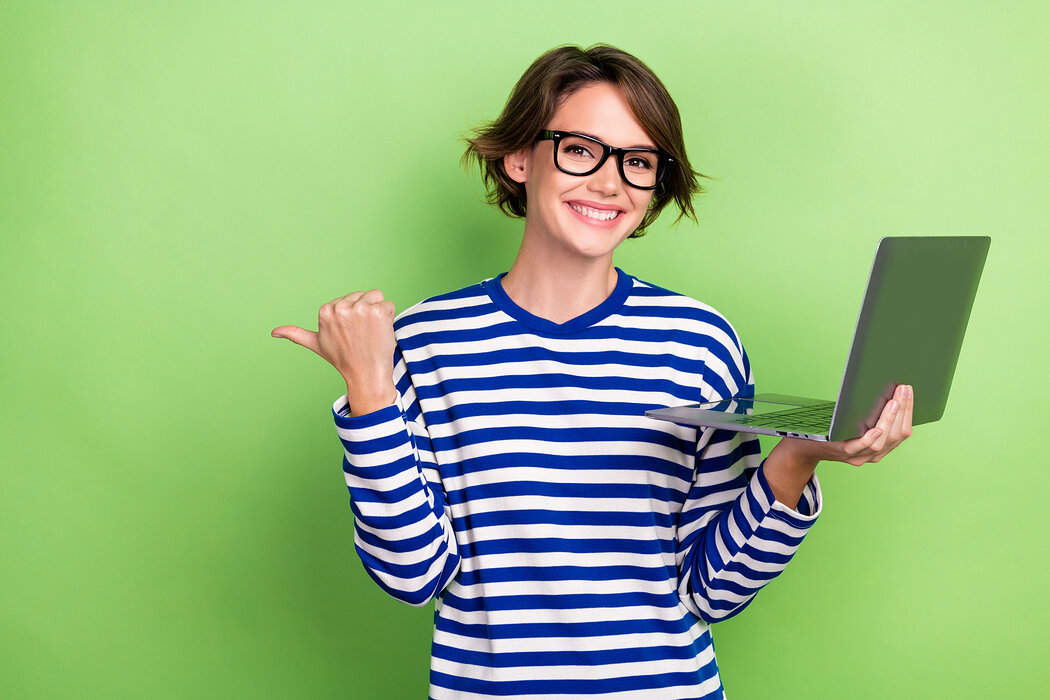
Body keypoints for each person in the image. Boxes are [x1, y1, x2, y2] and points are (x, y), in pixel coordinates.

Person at [272, 44, 913, 700]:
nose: (610, 183)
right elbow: (412, 577)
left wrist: (795, 460)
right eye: (581, 149)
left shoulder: (698, 343)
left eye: (638, 162)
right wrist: (370, 391)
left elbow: (711, 591)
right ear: (520, 158)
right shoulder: (425, 344)